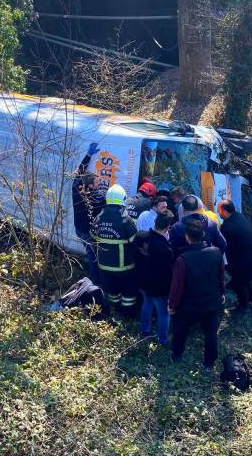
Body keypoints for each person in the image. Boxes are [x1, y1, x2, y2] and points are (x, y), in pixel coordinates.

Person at [168, 219, 225, 368]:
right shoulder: (216, 252)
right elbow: (221, 276)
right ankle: (209, 362)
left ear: (187, 237)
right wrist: (222, 293)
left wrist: (172, 305)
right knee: (211, 333)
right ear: (203, 234)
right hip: (212, 301)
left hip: (188, 305)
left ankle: (177, 355)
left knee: (181, 330)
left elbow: (177, 287)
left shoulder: (182, 259)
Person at [92, 184, 138, 317]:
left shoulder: (99, 217)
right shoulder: (126, 219)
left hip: (104, 265)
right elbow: (134, 241)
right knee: (128, 292)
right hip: (124, 266)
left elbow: (93, 236)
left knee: (112, 290)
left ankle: (114, 309)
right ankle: (127, 315)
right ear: (123, 198)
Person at [218, 199, 252, 314]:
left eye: (219, 211)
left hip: (250, 261)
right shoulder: (239, 216)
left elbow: (223, 246)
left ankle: (243, 306)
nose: (218, 213)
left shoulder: (228, 227)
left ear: (225, 211)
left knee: (238, 282)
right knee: (244, 279)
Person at [133, 211, 175, 345]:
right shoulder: (165, 249)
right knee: (163, 313)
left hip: (142, 281)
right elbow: (168, 273)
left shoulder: (140, 236)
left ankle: (144, 330)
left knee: (147, 303)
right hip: (159, 288)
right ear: (168, 228)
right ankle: (163, 340)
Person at [72, 142, 105, 283]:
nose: (100, 182)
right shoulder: (96, 199)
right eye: (97, 182)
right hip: (87, 232)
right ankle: (96, 282)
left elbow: (79, 171)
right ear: (90, 185)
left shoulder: (77, 188)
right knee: (94, 258)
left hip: (79, 229)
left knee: (90, 253)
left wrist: (89, 155)